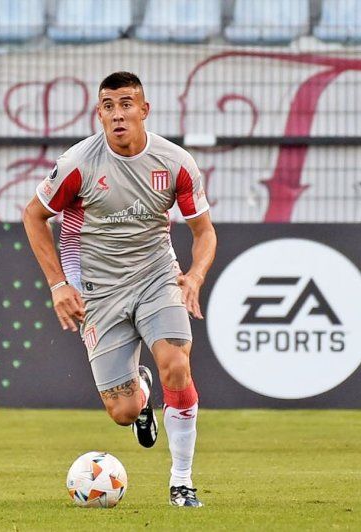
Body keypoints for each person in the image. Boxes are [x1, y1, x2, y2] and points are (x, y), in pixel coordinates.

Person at [23, 71, 216, 507]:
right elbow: (33, 216)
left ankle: (181, 481)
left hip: (156, 277)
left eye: (126, 104)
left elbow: (205, 232)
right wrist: (59, 284)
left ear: (144, 110)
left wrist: (196, 275)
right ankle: (141, 393)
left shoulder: (175, 163)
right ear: (99, 114)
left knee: (177, 366)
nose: (117, 115)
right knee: (122, 412)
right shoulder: (79, 164)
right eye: (108, 106)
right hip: (99, 290)